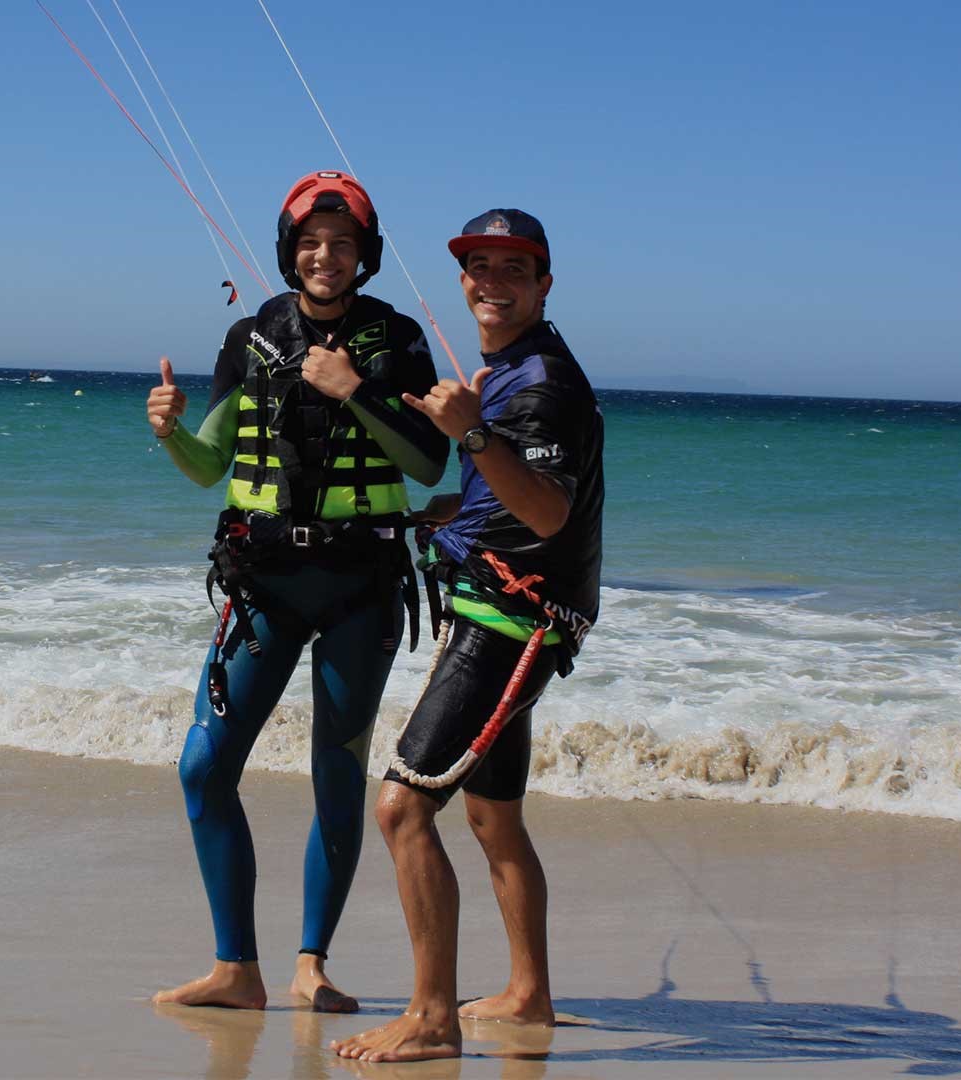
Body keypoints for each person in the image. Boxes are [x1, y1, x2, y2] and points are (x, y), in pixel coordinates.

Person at [144, 171, 449, 1012]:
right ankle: (235, 969)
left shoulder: (397, 341)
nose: (326, 256)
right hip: (264, 583)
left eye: (342, 243)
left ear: (365, 255)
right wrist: (170, 431)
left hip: (361, 587)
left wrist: (357, 390)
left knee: (336, 777)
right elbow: (211, 467)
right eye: (311, 243)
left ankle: (312, 962)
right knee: (203, 768)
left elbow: (430, 461)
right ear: (290, 251)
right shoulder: (252, 338)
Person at [332, 208, 604, 1061]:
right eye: (478, 267)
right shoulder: (513, 369)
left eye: (513, 269)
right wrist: (459, 505)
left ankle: (431, 1018)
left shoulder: (541, 382)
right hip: (509, 615)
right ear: (463, 282)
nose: (493, 282)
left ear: (544, 283)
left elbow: (551, 511)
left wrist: (471, 435)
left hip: (506, 626)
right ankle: (528, 996)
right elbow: (514, 490)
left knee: (403, 807)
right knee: (493, 819)